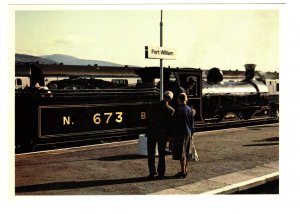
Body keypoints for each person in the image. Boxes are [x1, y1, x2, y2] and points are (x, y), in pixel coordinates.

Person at [146, 91, 175, 179]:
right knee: (161, 154)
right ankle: (161, 173)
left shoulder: (153, 105)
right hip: (162, 135)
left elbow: (148, 118)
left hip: (151, 133)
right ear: (170, 99)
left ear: (163, 96)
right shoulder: (171, 110)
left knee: (151, 153)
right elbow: (171, 125)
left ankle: (152, 172)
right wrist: (170, 136)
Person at [172, 93, 194, 178]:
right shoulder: (189, 109)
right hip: (188, 132)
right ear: (186, 99)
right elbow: (192, 124)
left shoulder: (177, 109)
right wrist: (192, 134)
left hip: (180, 133)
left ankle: (182, 171)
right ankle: (185, 169)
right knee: (187, 151)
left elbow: (174, 123)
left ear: (178, 99)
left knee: (182, 153)